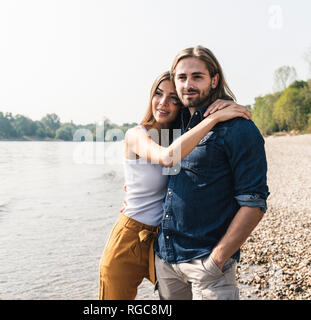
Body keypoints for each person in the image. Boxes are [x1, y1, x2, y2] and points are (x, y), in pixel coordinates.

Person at [98, 71, 252, 300]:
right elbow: (167, 157)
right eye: (158, 94)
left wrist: (220, 106)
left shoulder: (181, 136)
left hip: (163, 240)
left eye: (173, 98)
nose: (163, 103)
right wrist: (214, 119)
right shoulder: (136, 135)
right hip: (129, 236)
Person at [154, 46, 270, 300]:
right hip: (166, 261)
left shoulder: (239, 129)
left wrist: (216, 260)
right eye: (182, 78)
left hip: (207, 265)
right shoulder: (177, 123)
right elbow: (151, 155)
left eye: (197, 76)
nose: (188, 85)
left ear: (214, 79)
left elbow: (254, 202)